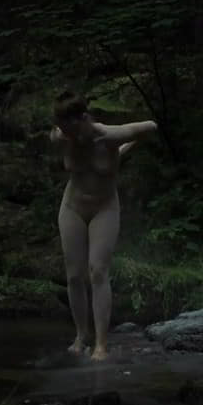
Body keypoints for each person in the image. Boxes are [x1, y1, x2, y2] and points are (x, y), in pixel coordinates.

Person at [50, 91, 158, 361]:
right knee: (74, 275)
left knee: (98, 270)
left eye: (71, 129)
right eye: (63, 130)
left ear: (84, 118)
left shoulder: (109, 135)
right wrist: (61, 135)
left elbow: (151, 126)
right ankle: (80, 335)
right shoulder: (62, 136)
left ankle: (101, 344)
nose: (68, 135)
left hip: (104, 207)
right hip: (72, 206)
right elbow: (57, 138)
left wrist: (124, 145)